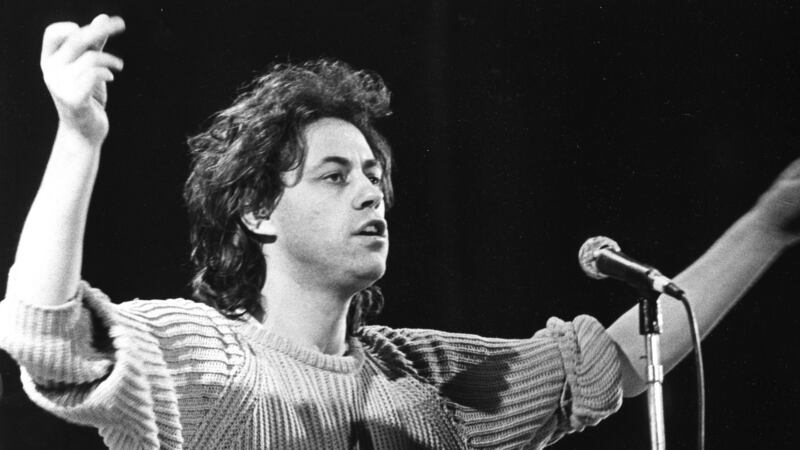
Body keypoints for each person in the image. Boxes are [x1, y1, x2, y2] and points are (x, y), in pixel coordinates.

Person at [1, 13, 798, 450]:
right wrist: (78, 138)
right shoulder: (203, 357)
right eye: (334, 176)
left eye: (373, 174)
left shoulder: (429, 379)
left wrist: (769, 224)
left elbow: (614, 362)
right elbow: (45, 338)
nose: (369, 193)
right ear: (257, 212)